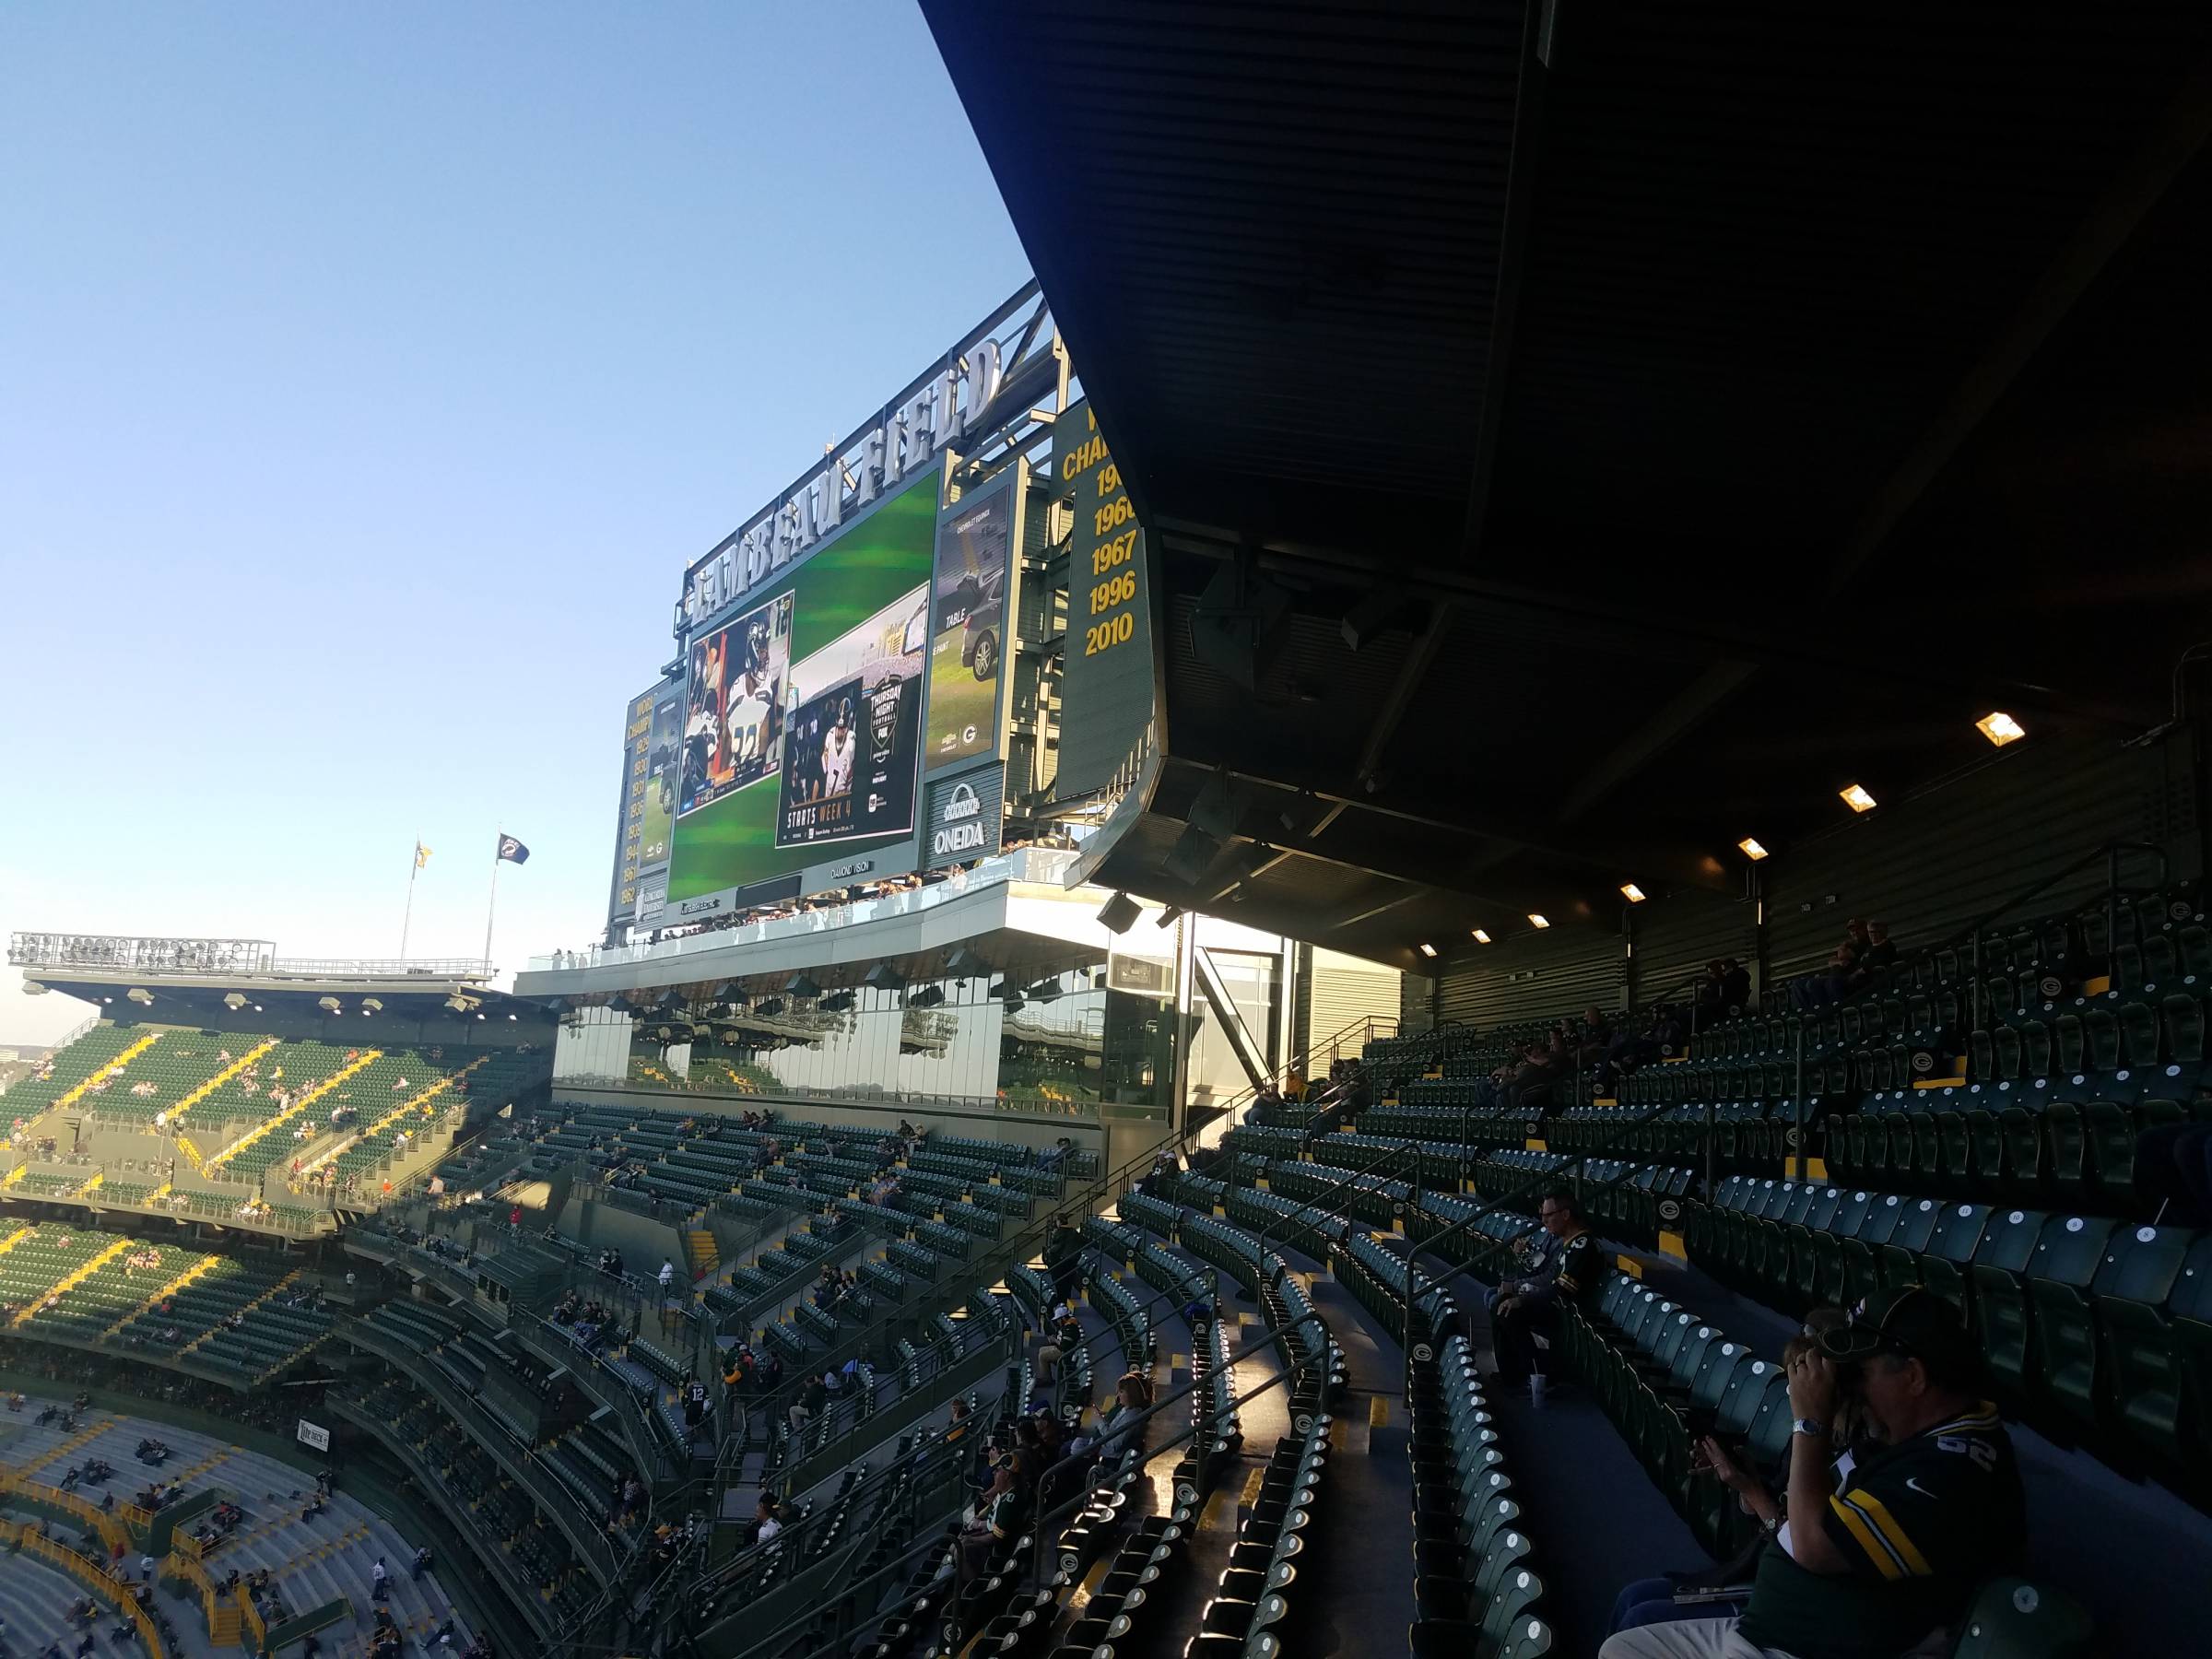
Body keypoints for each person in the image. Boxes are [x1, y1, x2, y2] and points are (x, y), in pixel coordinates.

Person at [1597, 1288, 2025, 1659]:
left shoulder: (1949, 1471)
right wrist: (1750, 1483)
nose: (1852, 1386)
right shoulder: (1908, 1443)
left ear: (1913, 1376)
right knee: (1619, 1647)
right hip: (1775, 1631)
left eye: (1863, 1370)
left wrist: (1810, 1425)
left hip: (1805, 1646)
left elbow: (1813, 1544)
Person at [1487, 1190, 1608, 1392]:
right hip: (1556, 1304)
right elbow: (1546, 1273)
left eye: (1548, 1215)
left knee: (1511, 1312)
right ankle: (1512, 1375)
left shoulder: (1583, 1244)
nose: (1543, 1221)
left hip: (1571, 1311)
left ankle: (1538, 1375)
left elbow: (1562, 1289)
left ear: (1566, 1215)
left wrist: (1523, 1300)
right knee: (1502, 1304)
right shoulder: (1567, 1242)